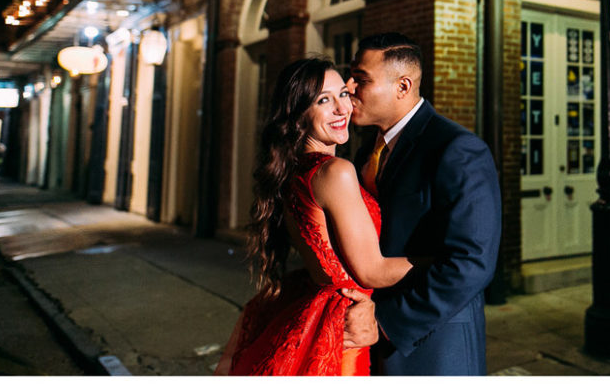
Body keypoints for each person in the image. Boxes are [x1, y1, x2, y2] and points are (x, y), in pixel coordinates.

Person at [214, 57, 418, 376]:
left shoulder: (293, 172)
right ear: (298, 115)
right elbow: (372, 271)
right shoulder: (335, 172)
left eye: (344, 94)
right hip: (343, 328)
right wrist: (444, 260)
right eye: (324, 100)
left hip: (322, 311)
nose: (342, 109)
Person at [342, 33, 502, 376]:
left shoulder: (456, 149)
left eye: (361, 79)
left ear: (403, 86)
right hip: (367, 344)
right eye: (350, 76)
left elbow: (472, 262)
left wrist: (383, 321)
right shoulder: (363, 152)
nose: (349, 87)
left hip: (433, 345)